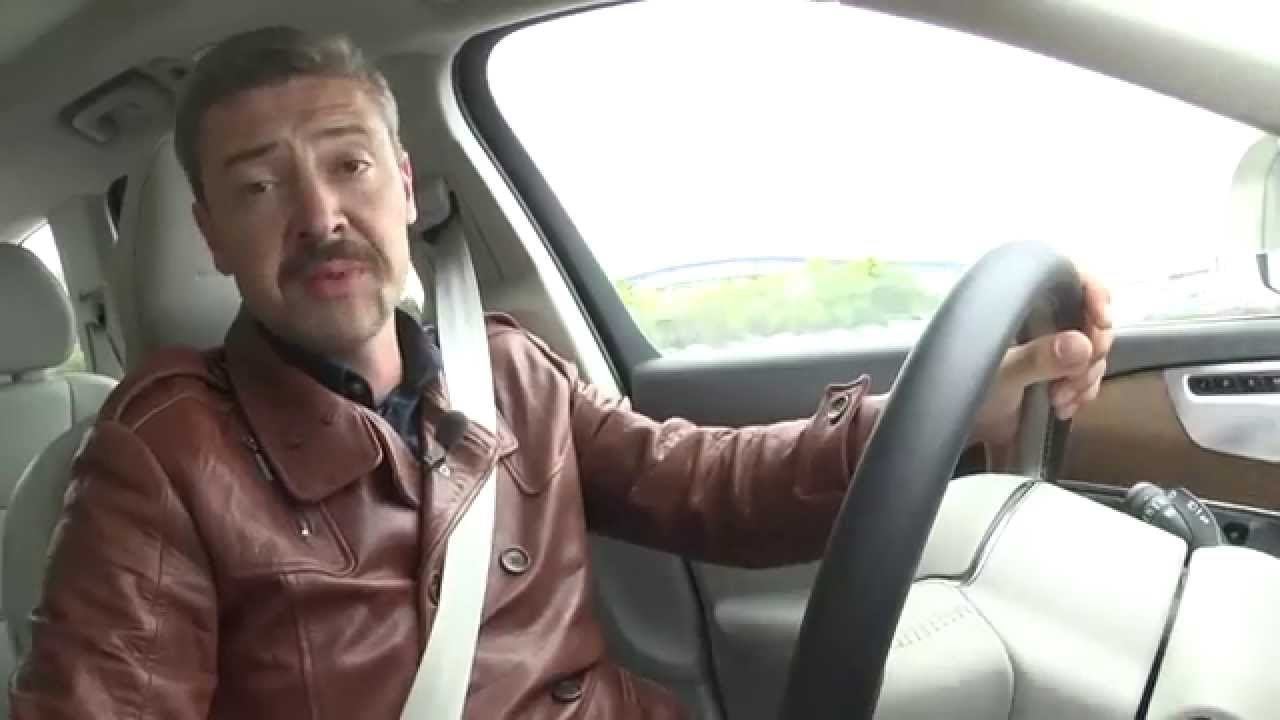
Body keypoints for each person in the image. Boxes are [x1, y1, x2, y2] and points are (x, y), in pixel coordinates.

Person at [9, 27, 1112, 720]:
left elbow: (714, 483)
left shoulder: (505, 368)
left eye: (349, 165)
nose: (319, 215)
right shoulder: (165, 452)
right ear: (212, 235)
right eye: (259, 188)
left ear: (404, 186)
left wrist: (957, 407)